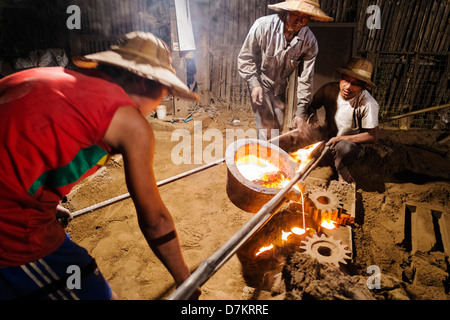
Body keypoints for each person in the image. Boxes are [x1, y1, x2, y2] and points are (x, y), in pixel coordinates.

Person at [0, 32, 201, 300]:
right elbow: (155, 220)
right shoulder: (130, 123)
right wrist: (185, 281)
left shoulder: (46, 76)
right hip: (11, 228)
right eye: (164, 91)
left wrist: (47, 201)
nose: (159, 102)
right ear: (147, 82)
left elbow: (20, 146)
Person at [237, 0, 333, 140]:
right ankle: (264, 158)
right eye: (296, 14)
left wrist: (301, 112)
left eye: (305, 17)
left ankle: (272, 155)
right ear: (287, 11)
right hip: (260, 83)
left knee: (278, 125)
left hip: (280, 87)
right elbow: (246, 57)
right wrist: (254, 84)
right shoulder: (263, 26)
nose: (300, 20)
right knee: (266, 127)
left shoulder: (309, 42)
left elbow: (305, 78)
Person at [297, 57, 379, 182]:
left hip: (350, 144)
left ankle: (342, 171)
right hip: (327, 136)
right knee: (302, 134)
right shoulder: (329, 89)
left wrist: (341, 138)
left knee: (343, 148)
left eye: (355, 83)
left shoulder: (368, 103)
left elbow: (372, 136)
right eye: (346, 80)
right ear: (341, 77)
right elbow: (312, 106)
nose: (348, 87)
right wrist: (312, 117)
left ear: (363, 86)